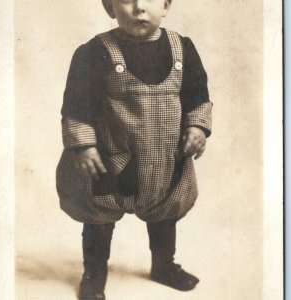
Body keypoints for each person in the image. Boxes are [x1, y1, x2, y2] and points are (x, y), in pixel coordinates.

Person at [56, 0, 213, 299]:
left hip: (165, 161)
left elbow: (198, 96)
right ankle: (94, 275)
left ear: (166, 5)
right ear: (109, 7)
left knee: (165, 215)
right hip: (111, 163)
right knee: (99, 221)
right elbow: (76, 107)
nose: (139, 8)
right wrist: (84, 145)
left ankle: (164, 266)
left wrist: (196, 127)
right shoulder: (93, 52)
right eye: (126, 0)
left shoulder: (183, 49)